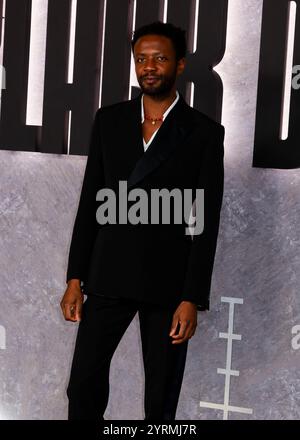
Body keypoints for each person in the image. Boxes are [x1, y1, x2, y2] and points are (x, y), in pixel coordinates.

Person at [60, 21, 225, 421]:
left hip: (168, 284)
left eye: (160, 58)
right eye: (142, 59)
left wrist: (192, 297)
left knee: (160, 400)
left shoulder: (203, 133)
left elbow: (203, 223)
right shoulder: (110, 120)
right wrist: (74, 278)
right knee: (82, 385)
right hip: (108, 274)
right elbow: (90, 204)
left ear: (180, 65)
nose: (149, 66)